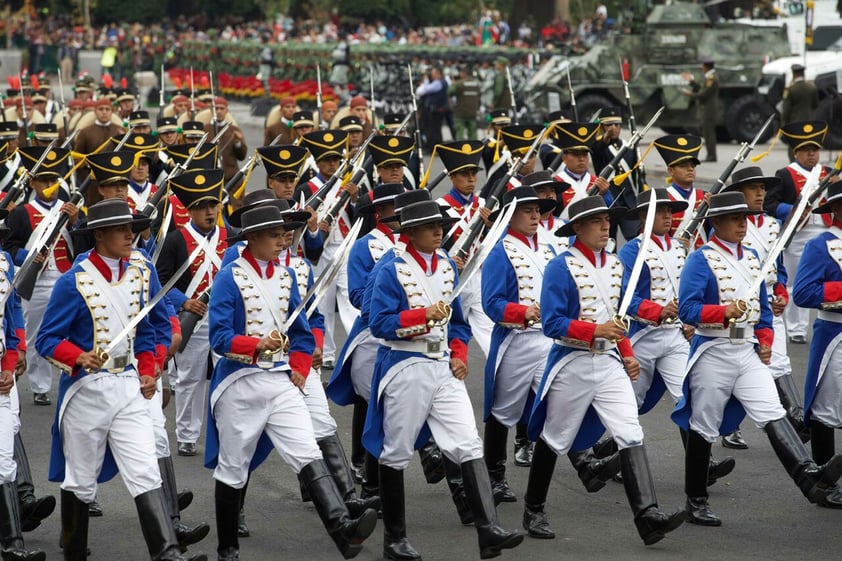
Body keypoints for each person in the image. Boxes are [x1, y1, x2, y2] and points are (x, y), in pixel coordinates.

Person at [35, 198, 206, 561]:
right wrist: (78, 356)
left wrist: (149, 368)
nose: (131, 235)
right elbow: (47, 340)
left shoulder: (142, 272)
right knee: (80, 480)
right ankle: (74, 554)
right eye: (121, 229)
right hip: (86, 390)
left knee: (146, 470)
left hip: (129, 385)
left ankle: (169, 554)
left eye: (132, 228)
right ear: (99, 235)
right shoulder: (73, 281)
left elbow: (148, 331)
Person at [206, 204, 377, 561]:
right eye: (272, 235)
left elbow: (301, 334)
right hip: (239, 382)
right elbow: (220, 338)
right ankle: (227, 550)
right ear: (252, 239)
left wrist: (299, 366)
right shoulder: (229, 276)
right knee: (234, 467)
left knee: (307, 450)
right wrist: (256, 345)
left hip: (281, 380)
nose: (281, 242)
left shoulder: (287, 277)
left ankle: (342, 529)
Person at [365, 199, 524, 561]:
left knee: (468, 443)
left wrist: (459, 353)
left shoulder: (449, 265)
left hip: (443, 367)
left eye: (440, 224)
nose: (439, 230)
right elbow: (379, 323)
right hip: (405, 365)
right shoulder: (390, 269)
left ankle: (488, 531)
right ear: (409, 231)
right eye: (429, 225)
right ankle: (394, 540)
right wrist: (421, 315)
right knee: (396, 452)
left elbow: (459, 324)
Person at [673, 191, 842, 526]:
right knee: (704, 424)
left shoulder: (752, 257)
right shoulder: (700, 259)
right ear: (716, 223)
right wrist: (723, 311)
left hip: (747, 349)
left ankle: (808, 476)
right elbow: (688, 309)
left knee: (772, 412)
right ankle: (696, 499)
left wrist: (765, 340)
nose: (743, 224)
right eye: (735, 218)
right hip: (713, 349)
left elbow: (763, 312)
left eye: (745, 217)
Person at [525, 196, 686, 545]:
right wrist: (593, 331)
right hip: (572, 361)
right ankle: (533, 508)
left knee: (630, 431)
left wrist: (627, 352)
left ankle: (647, 515)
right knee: (556, 436)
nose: (605, 227)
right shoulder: (560, 266)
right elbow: (551, 323)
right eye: (597, 221)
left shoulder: (616, 265)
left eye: (607, 221)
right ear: (578, 228)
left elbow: (618, 318)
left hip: (610, 361)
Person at [618, 189, 736, 481]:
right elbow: (622, 299)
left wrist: (690, 318)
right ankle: (617, 459)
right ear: (644, 216)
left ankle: (702, 464)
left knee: (689, 395)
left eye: (671, 211)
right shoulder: (630, 251)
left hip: (674, 337)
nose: (669, 216)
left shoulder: (682, 249)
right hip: (641, 337)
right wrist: (657, 310)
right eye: (661, 211)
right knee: (627, 405)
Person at [481, 186, 557, 502]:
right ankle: (494, 476)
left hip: (549, 339)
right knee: (502, 411)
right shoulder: (501, 251)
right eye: (528, 210)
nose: (535, 216)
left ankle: (584, 462)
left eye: (538, 210)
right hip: (517, 339)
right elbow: (492, 303)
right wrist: (522, 311)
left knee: (558, 400)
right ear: (510, 216)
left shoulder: (550, 250)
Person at [721, 167, 807, 449]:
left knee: (779, 363)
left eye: (762, 188)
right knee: (736, 374)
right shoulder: (724, 225)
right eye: (754, 188)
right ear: (739, 193)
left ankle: (796, 421)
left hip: (770, 304)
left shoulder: (772, 224)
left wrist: (781, 292)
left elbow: (778, 269)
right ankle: (729, 426)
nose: (761, 194)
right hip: (738, 306)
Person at [157, 170, 228, 458]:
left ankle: (228, 429)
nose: (209, 212)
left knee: (229, 376)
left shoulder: (228, 235)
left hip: (223, 317)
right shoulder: (175, 240)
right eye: (202, 207)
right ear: (190, 210)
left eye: (213, 206)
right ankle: (187, 435)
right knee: (190, 378)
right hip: (193, 320)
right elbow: (160, 282)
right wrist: (185, 303)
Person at [4, 147, 77, 406]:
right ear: (33, 183)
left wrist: (76, 223)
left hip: (67, 277)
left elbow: (84, 244)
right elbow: (10, 247)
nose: (49, 185)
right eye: (44, 180)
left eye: (53, 180)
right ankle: (40, 385)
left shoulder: (69, 209)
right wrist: (27, 257)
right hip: (37, 281)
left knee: (74, 331)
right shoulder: (23, 212)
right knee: (34, 334)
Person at [765, 121, 840, 344]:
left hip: (828, 231)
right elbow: (770, 204)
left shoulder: (828, 173)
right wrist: (794, 209)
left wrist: (837, 185)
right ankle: (796, 328)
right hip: (798, 233)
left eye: (815, 150)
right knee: (795, 280)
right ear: (796, 152)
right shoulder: (786, 174)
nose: (811, 154)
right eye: (806, 150)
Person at [793, 180, 842, 507]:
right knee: (826, 410)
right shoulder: (820, 245)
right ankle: (825, 483)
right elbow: (804, 292)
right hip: (835, 335)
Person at [0, 205, 45, 561]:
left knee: (5, 449)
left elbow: (13, 315)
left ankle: (14, 538)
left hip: (1, 372)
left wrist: (14, 359)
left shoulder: (4, 265)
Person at [431, 140, 495, 357]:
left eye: (473, 174)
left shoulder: (483, 203)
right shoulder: (440, 205)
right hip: (449, 277)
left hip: (476, 277)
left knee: (488, 332)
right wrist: (447, 261)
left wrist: (490, 226)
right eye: (464, 174)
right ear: (452, 176)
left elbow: (491, 242)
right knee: (445, 332)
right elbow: (432, 245)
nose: (471, 179)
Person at [590, 107, 640, 240]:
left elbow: (636, 173)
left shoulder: (628, 146)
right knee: (608, 242)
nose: (613, 128)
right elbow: (598, 147)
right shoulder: (597, 146)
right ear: (602, 127)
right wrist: (605, 137)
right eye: (609, 125)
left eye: (616, 124)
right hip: (609, 200)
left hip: (628, 201)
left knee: (635, 239)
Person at [654, 134, 707, 248]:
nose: (690, 169)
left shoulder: (704, 196)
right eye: (683, 166)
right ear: (671, 170)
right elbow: (654, 236)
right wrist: (674, 244)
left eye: (693, 166)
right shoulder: (663, 198)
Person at [551, 122, 612, 218]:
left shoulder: (597, 182)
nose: (581, 159)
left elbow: (609, 209)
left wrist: (603, 194)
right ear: (564, 158)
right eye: (576, 154)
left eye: (584, 154)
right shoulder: (555, 183)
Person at [681, 57, 718, 162]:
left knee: (709, 133)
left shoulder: (711, 78)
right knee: (706, 132)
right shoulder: (708, 77)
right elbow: (701, 89)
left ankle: (711, 156)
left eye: (702, 65)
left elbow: (703, 94)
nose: (701, 68)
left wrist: (690, 94)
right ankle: (710, 155)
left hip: (708, 109)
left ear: (706, 66)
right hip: (705, 108)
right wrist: (691, 82)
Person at [415, 67, 449, 148]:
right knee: (432, 129)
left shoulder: (439, 83)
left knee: (434, 130)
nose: (432, 76)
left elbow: (427, 89)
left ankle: (434, 147)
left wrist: (426, 81)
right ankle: (432, 146)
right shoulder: (441, 82)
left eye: (433, 74)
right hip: (435, 109)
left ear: (438, 74)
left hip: (436, 110)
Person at [449, 67, 481, 140]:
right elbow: (479, 97)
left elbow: (449, 92)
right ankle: (475, 148)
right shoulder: (476, 83)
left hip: (461, 112)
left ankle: (459, 148)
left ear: (464, 74)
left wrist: (453, 84)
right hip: (473, 111)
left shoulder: (459, 83)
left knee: (460, 132)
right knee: (473, 132)